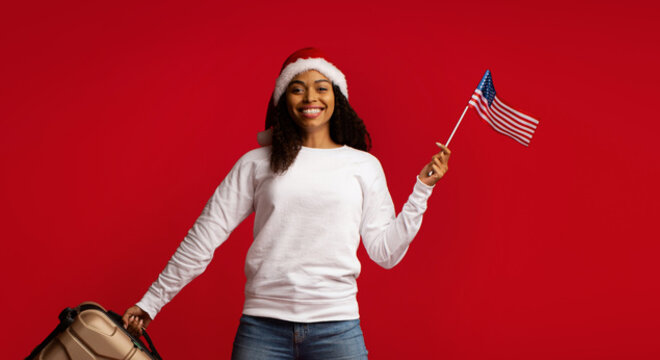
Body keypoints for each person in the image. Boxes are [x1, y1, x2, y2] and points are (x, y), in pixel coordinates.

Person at [122, 47, 450, 359]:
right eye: (297, 88)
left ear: (336, 96)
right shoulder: (256, 163)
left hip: (337, 328)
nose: (310, 98)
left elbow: (385, 252)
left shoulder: (362, 166)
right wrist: (152, 301)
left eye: (321, 87)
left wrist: (421, 190)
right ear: (283, 99)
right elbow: (204, 237)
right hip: (262, 328)